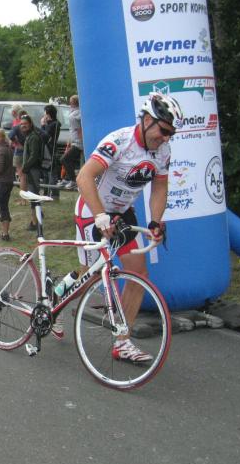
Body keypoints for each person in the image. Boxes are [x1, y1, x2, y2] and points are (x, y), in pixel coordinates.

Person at [75, 92, 182, 363]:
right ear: (147, 120)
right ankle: (53, 298)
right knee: (89, 277)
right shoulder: (119, 141)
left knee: (139, 273)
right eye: (164, 131)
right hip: (92, 208)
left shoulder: (163, 151)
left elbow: (160, 187)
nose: (166, 138)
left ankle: (122, 341)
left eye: (171, 133)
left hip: (123, 213)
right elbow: (84, 176)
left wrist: (155, 221)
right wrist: (100, 216)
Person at [20, 113, 43, 232]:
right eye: (21, 124)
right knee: (33, 194)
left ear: (30, 124)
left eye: (25, 124)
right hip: (30, 169)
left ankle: (35, 222)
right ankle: (37, 217)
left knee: (33, 195)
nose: (23, 126)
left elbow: (34, 155)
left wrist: (26, 167)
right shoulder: (29, 136)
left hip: (33, 170)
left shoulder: (33, 137)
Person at [58, 95, 82, 189]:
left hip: (78, 142)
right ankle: (67, 178)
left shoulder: (76, 114)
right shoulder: (74, 112)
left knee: (64, 159)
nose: (69, 103)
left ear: (73, 103)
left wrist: (81, 139)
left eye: (71, 101)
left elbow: (79, 128)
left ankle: (73, 180)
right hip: (74, 141)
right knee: (68, 160)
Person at [39, 104, 61, 199]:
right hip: (45, 151)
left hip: (51, 151)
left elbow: (45, 136)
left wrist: (43, 125)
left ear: (48, 114)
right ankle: (46, 193)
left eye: (45, 113)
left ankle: (55, 194)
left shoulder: (54, 124)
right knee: (45, 173)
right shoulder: (50, 124)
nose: (44, 115)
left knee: (51, 174)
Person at [8, 103, 28, 200]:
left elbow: (11, 135)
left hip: (19, 150)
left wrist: (16, 142)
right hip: (26, 151)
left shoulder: (17, 124)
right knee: (24, 176)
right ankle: (26, 196)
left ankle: (23, 199)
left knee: (22, 176)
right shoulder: (28, 124)